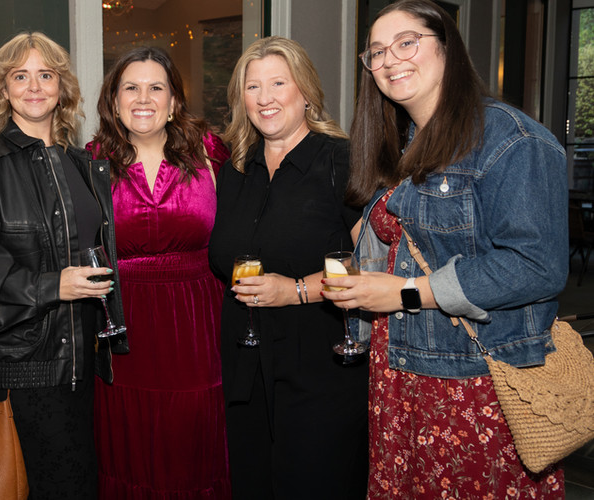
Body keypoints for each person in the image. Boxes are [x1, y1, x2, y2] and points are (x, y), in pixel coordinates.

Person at [324, 1, 567, 497]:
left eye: (406, 43)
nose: (390, 60)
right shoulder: (404, 141)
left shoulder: (510, 138)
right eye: (376, 52)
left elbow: (536, 266)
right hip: (399, 375)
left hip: (474, 383)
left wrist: (406, 293)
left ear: (447, 47)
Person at [0, 31, 124, 499]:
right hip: (17, 372)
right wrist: (53, 286)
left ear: (62, 87)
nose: (34, 86)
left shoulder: (85, 164)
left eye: (46, 75)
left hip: (79, 365)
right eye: (19, 76)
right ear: (3, 90)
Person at [207, 37, 368, 498]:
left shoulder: (343, 160)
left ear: (306, 93)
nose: (265, 98)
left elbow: (373, 264)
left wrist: (296, 288)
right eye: (252, 87)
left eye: (278, 83)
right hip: (246, 361)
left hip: (320, 361)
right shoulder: (235, 169)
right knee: (253, 483)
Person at [87, 46, 231, 499]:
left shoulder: (210, 154)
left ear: (173, 102)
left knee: (194, 445)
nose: (142, 98)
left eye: (156, 88)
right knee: (130, 447)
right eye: (130, 87)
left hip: (199, 326)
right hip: (122, 328)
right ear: (114, 101)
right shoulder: (91, 162)